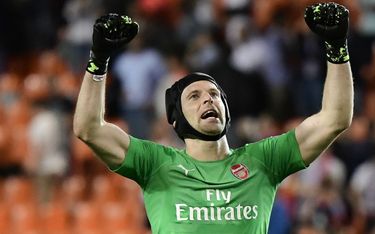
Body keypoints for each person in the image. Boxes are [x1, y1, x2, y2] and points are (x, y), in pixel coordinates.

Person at [73, 3, 354, 233]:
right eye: (194, 96)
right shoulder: (155, 164)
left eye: (214, 94)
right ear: (176, 118)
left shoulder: (263, 161)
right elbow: (88, 128)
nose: (208, 99)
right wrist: (98, 61)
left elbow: (335, 119)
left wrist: (337, 50)